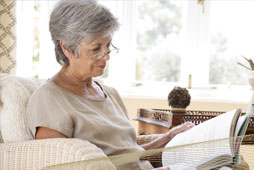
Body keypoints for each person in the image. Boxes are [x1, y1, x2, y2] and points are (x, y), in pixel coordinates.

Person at [26, 0, 194, 169]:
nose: (106, 56)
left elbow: (128, 155)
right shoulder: (49, 98)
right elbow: (58, 164)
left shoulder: (110, 93)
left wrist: (168, 136)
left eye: (107, 46)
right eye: (95, 49)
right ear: (66, 48)